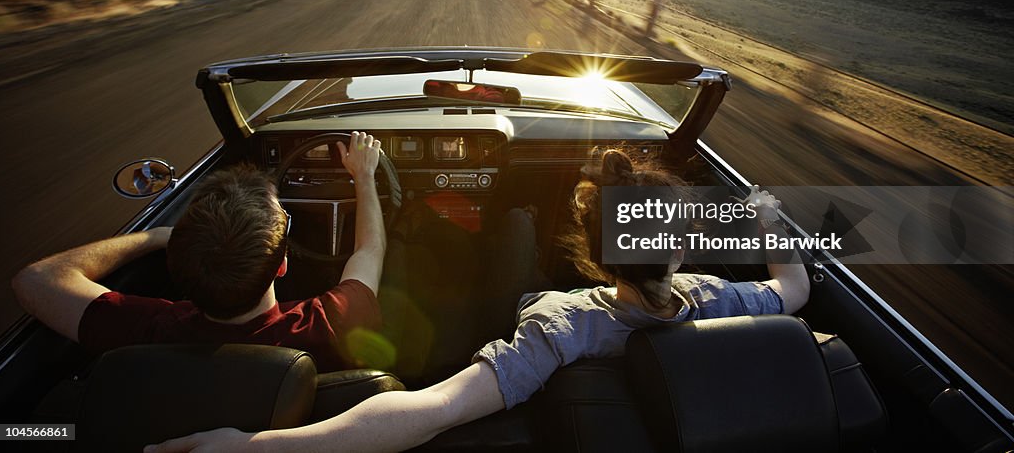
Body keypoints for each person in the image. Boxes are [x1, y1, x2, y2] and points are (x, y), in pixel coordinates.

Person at [147, 148, 810, 453]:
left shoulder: (561, 323)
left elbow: (431, 406)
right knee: (516, 220)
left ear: (594, 250)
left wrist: (260, 446)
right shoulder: (723, 298)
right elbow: (795, 287)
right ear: (682, 247)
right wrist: (769, 214)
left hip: (525, 337)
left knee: (515, 224)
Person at [12, 131, 386, 372]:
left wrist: (155, 236)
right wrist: (364, 176)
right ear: (282, 265)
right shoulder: (330, 324)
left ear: (178, 263)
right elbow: (370, 250)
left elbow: (35, 279)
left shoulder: (147, 331)